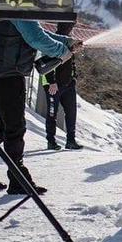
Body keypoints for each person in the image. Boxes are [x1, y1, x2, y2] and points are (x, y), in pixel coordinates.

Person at [0, 6, 79, 195]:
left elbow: (36, 31)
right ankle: (18, 179)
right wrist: (62, 51)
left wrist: (67, 41)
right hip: (10, 74)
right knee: (15, 128)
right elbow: (36, 38)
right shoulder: (19, 6)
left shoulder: (9, 5)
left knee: (0, 126)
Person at [40, 21, 82, 151]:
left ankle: (71, 140)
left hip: (68, 84)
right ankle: (51, 141)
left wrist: (74, 77)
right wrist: (51, 82)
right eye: (70, 27)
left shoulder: (69, 41)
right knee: (52, 113)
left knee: (71, 112)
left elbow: (71, 62)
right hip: (53, 85)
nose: (71, 29)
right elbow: (45, 63)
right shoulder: (52, 40)